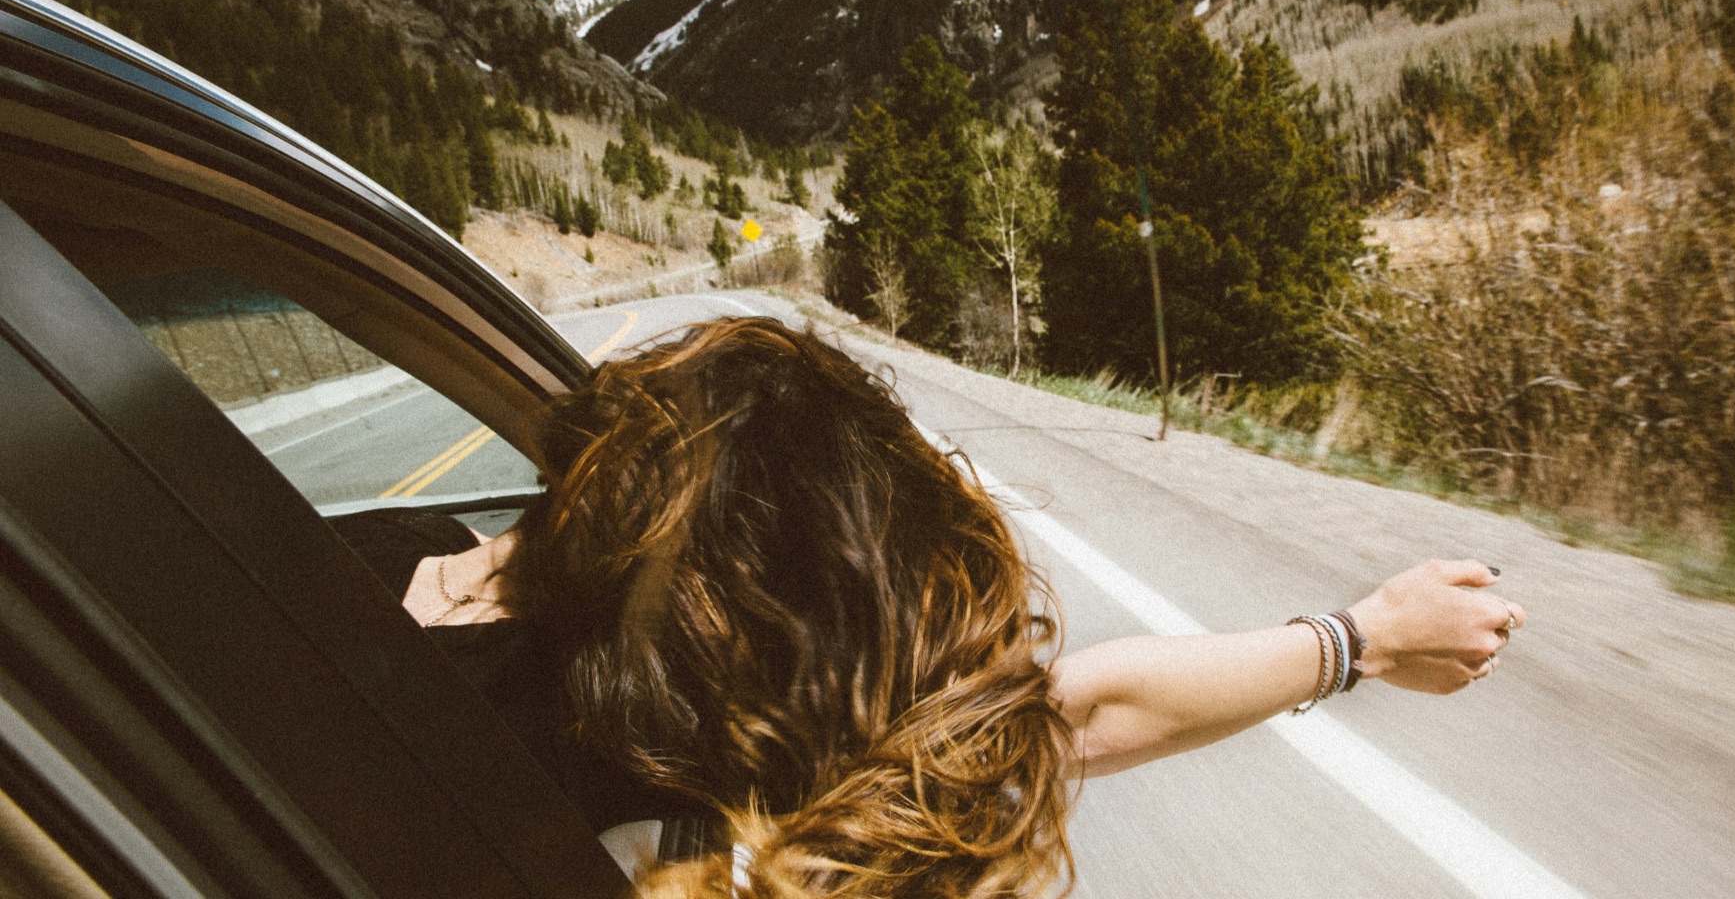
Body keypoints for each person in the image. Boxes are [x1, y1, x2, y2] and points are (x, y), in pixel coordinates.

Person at [339, 317, 1523, 896]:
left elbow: (1067, 710)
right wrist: (1360, 641)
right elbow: (1074, 712)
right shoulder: (680, 756)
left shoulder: (348, 556)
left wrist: (1363, 640)